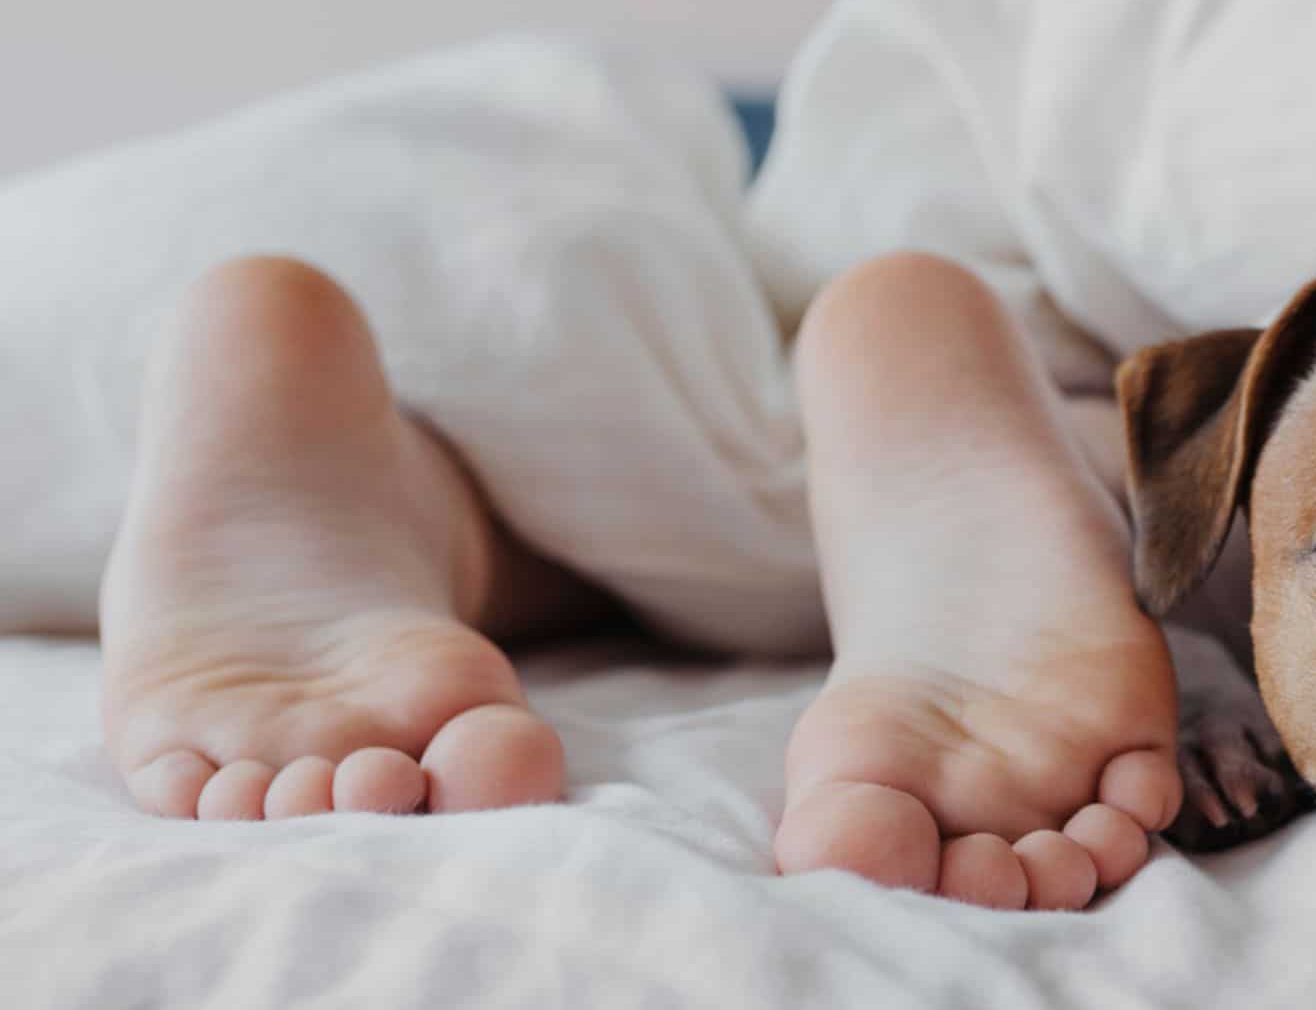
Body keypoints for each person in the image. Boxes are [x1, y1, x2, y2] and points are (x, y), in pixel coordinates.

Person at [101, 249, 1183, 913]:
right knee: (1111, 447)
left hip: (535, 454)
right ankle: (925, 374)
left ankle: (370, 495)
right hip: (903, 448)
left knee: (471, 514)